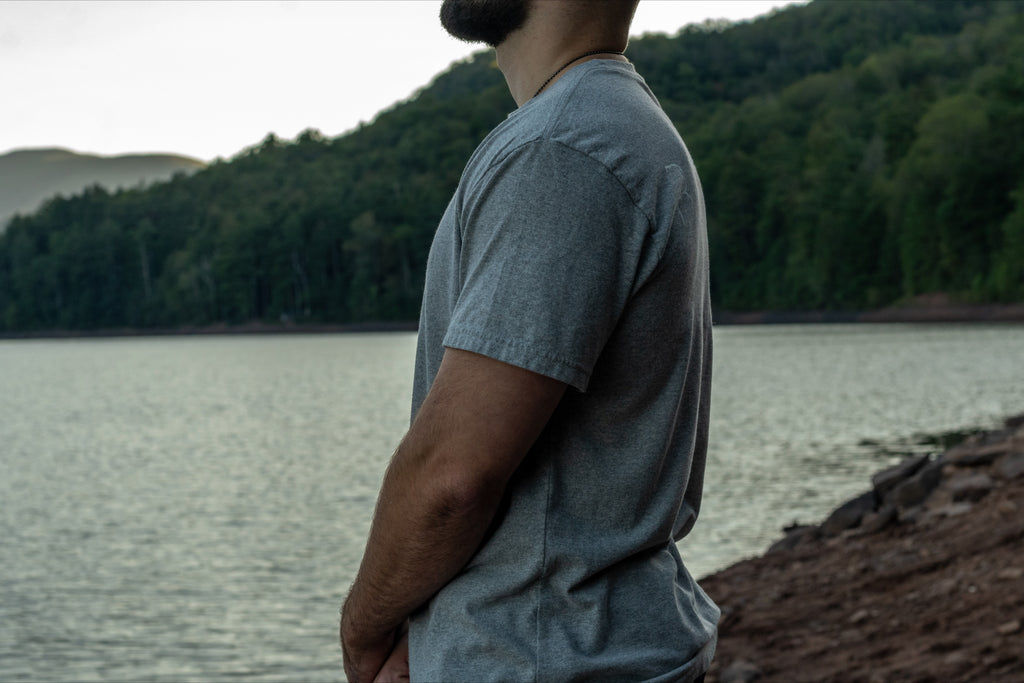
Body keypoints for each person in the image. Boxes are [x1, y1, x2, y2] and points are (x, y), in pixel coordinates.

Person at [340, 0, 719, 680]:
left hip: (539, 658)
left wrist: (363, 629)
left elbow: (453, 475)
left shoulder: (563, 150)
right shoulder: (611, 127)